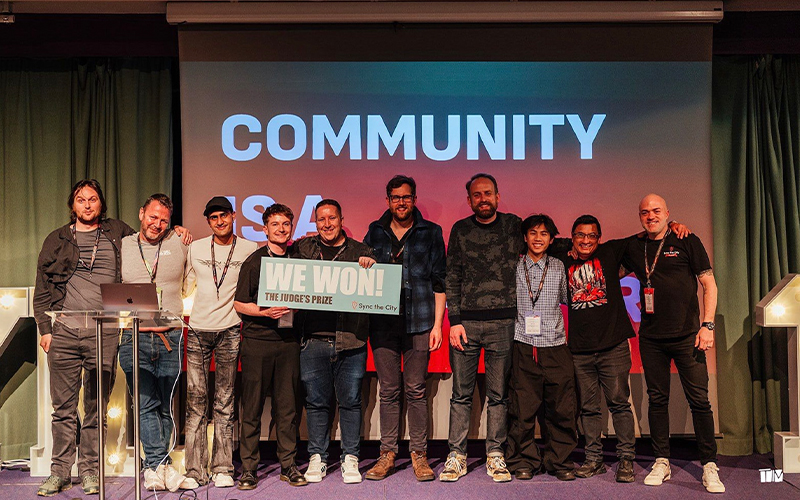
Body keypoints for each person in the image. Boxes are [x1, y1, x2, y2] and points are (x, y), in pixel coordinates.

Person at [33, 180, 135, 496]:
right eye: (81, 200)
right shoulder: (57, 239)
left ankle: (90, 471)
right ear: (73, 205)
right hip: (62, 332)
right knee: (62, 409)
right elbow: (41, 288)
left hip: (103, 333)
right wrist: (45, 330)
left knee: (95, 408)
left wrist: (179, 233)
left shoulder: (119, 233)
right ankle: (59, 472)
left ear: (101, 204)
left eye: (92, 199)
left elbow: (150, 244)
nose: (87, 205)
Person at [622, 194, 725, 493]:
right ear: (639, 216)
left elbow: (709, 284)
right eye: (645, 212)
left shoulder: (686, 239)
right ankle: (661, 461)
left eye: (656, 211)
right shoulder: (633, 246)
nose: (650, 216)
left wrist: (708, 325)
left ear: (667, 212)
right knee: (657, 401)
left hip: (688, 336)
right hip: (651, 338)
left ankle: (709, 465)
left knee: (699, 401)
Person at [362, 175, 446, 482]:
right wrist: (364, 263)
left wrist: (437, 325)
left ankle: (419, 455)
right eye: (396, 197)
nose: (401, 202)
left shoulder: (431, 232)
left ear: (414, 198)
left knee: (416, 390)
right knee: (389, 391)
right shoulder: (375, 230)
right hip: (383, 323)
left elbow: (440, 281)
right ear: (388, 200)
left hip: (421, 322)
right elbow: (363, 272)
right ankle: (387, 455)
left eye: (406, 197)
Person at [440, 173, 522, 483]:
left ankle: (495, 455)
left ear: (498, 197)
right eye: (477, 195)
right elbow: (452, 276)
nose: (483, 198)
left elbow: (547, 238)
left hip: (504, 323)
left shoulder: (515, 225)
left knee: (499, 395)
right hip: (467, 325)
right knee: (461, 394)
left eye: (488, 193)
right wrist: (455, 321)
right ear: (470, 200)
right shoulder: (460, 229)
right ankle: (457, 455)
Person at [294, 199, 375, 484]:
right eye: (321, 219)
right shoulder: (303, 249)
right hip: (313, 340)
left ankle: (350, 457)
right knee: (316, 403)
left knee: (351, 402)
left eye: (332, 218)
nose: (327, 224)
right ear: (315, 222)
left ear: (342, 218)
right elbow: (275, 256)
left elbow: (376, 289)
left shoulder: (360, 251)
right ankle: (317, 457)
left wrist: (371, 266)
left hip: (351, 340)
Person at [181, 197, 258, 489]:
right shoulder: (196, 248)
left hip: (230, 329)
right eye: (213, 217)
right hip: (199, 330)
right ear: (208, 222)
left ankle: (223, 467)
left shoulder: (250, 248)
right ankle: (194, 471)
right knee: (196, 403)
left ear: (234, 215)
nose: (220, 221)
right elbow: (187, 283)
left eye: (223, 215)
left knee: (225, 403)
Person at [557, 214, 637, 483]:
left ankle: (626, 459)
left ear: (599, 238)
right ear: (572, 237)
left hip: (613, 346)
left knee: (619, 404)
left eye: (592, 235)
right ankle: (594, 460)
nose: (586, 240)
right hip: (580, 350)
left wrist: (674, 226)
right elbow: (538, 240)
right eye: (580, 235)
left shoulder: (610, 251)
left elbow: (646, 236)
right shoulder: (563, 255)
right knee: (589, 408)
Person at [118, 193, 190, 492]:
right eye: (152, 217)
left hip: (172, 336)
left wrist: (182, 230)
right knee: (146, 404)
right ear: (140, 213)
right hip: (134, 334)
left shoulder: (180, 242)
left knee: (166, 407)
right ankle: (160, 466)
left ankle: (157, 465)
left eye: (164, 220)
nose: (157, 224)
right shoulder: (122, 245)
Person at [233, 203, 307, 489]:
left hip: (288, 343)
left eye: (286, 224)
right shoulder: (254, 262)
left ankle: (288, 465)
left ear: (291, 228)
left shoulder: (298, 260)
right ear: (265, 229)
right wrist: (264, 312)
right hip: (257, 343)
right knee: (250, 409)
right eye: (275, 224)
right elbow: (239, 303)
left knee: (287, 410)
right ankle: (249, 469)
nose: (281, 229)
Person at [506, 214, 576, 481]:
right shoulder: (513, 266)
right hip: (523, 344)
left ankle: (560, 461)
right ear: (525, 237)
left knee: (561, 408)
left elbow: (570, 300)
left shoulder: (559, 266)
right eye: (533, 233)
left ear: (551, 239)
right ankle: (523, 460)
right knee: (522, 408)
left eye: (544, 234)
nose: (538, 238)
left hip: (555, 345)